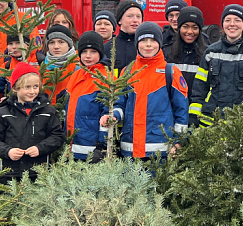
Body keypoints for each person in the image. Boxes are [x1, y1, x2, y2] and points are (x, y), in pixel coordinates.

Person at [102, 22, 189, 159]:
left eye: (153, 40)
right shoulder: (127, 72)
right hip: (129, 150)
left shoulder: (171, 72)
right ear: (137, 44)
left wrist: (178, 143)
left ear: (159, 43)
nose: (148, 45)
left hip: (161, 153)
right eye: (143, 40)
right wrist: (114, 117)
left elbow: (181, 113)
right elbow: (120, 104)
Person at [189, 4, 243, 127]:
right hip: (211, 122)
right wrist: (194, 118)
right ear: (222, 24)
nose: (232, 24)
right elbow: (199, 90)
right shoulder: (211, 52)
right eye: (228, 20)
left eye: (237, 20)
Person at [0, 62, 65, 184]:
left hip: (39, 174)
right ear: (15, 88)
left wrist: (40, 148)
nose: (32, 91)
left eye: (36, 87)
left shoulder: (48, 111)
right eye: (27, 87)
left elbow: (58, 136)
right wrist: (8, 151)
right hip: (9, 175)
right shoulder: (3, 112)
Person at [64, 31, 110, 161]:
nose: (88, 56)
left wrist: (102, 146)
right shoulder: (76, 75)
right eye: (84, 52)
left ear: (100, 53)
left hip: (91, 149)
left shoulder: (105, 78)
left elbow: (106, 115)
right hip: (71, 147)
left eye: (93, 52)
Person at [163, 6, 208, 94]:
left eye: (195, 27)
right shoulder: (166, 51)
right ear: (179, 28)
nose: (190, 31)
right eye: (185, 27)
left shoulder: (207, 54)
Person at [103, 0, 143, 75]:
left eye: (138, 17)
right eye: (130, 16)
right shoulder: (107, 48)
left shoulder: (146, 47)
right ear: (119, 20)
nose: (135, 20)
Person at [42, 25, 78, 104]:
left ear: (69, 44)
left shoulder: (78, 67)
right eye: (52, 42)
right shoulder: (43, 68)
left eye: (61, 42)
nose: (56, 47)